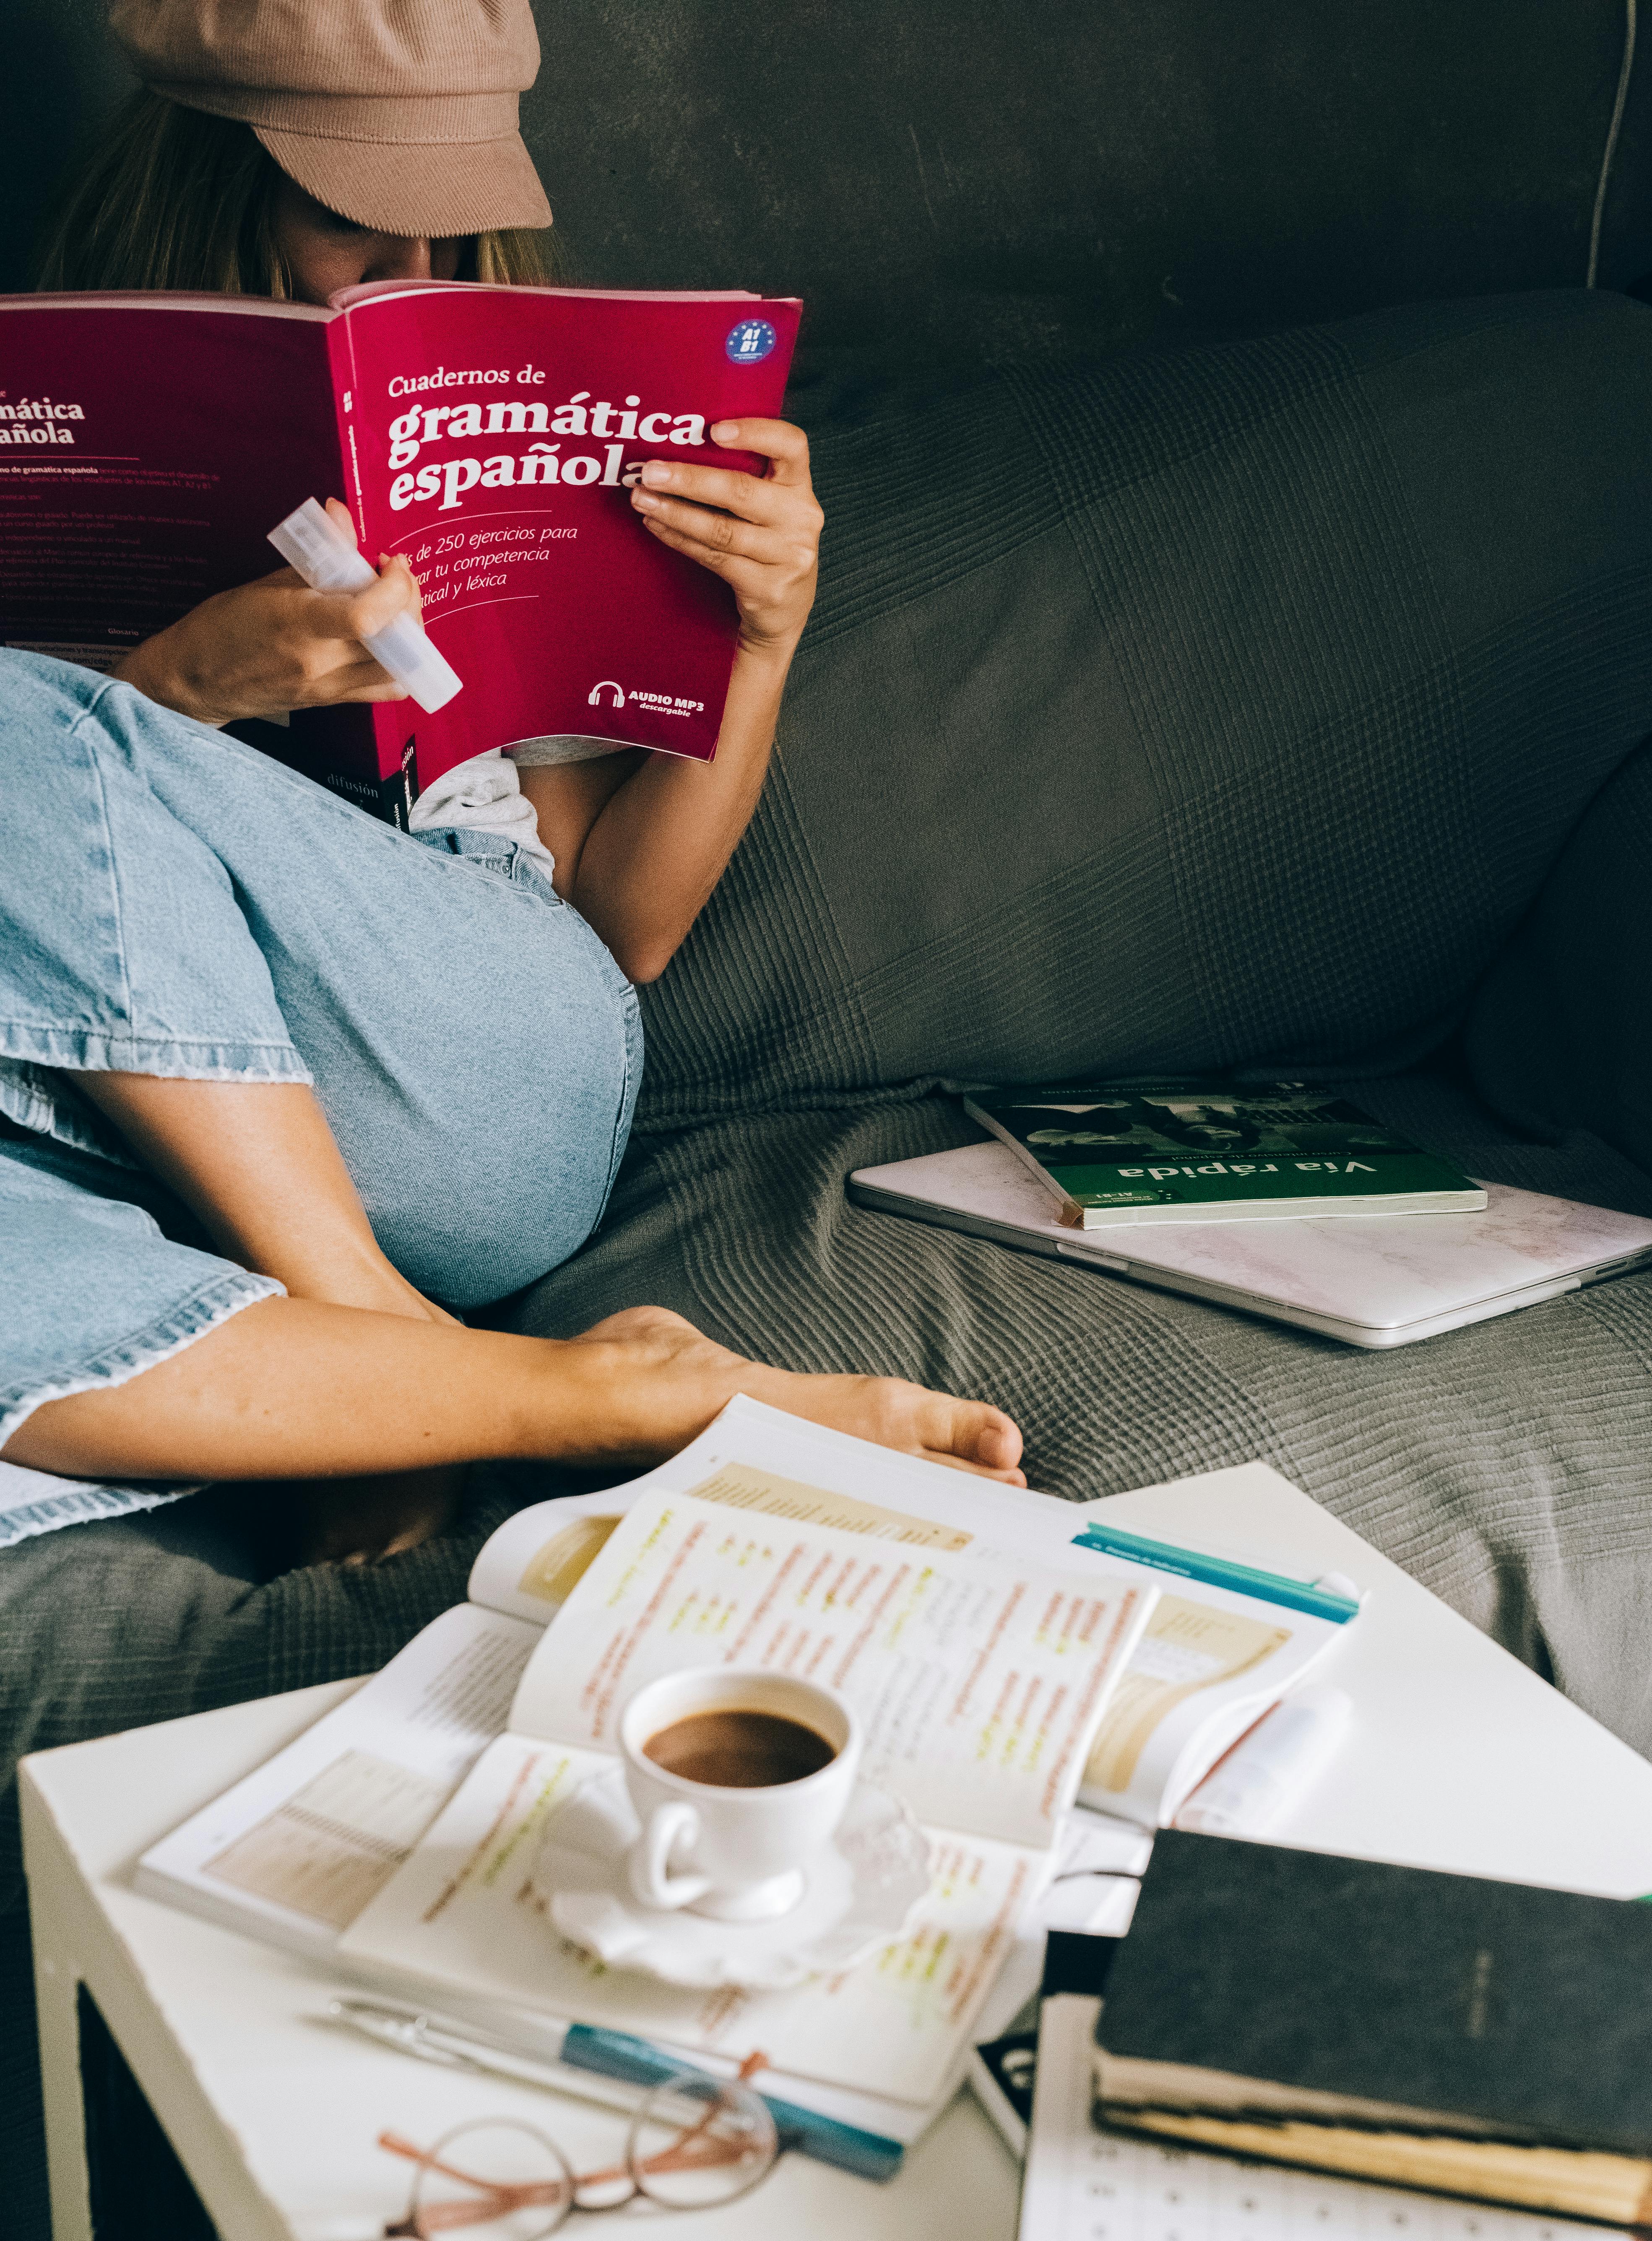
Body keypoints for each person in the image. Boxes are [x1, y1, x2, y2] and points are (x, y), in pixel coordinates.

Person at [0, 0, 1025, 1566]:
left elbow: (621, 930)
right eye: (356, 227)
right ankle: (505, 1393)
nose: (416, 278)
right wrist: (185, 687)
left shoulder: (502, 424)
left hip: (469, 1076)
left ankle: (373, 1328)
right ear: (208, 185)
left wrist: (760, 638)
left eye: (455, 233)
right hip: (105, 1132)